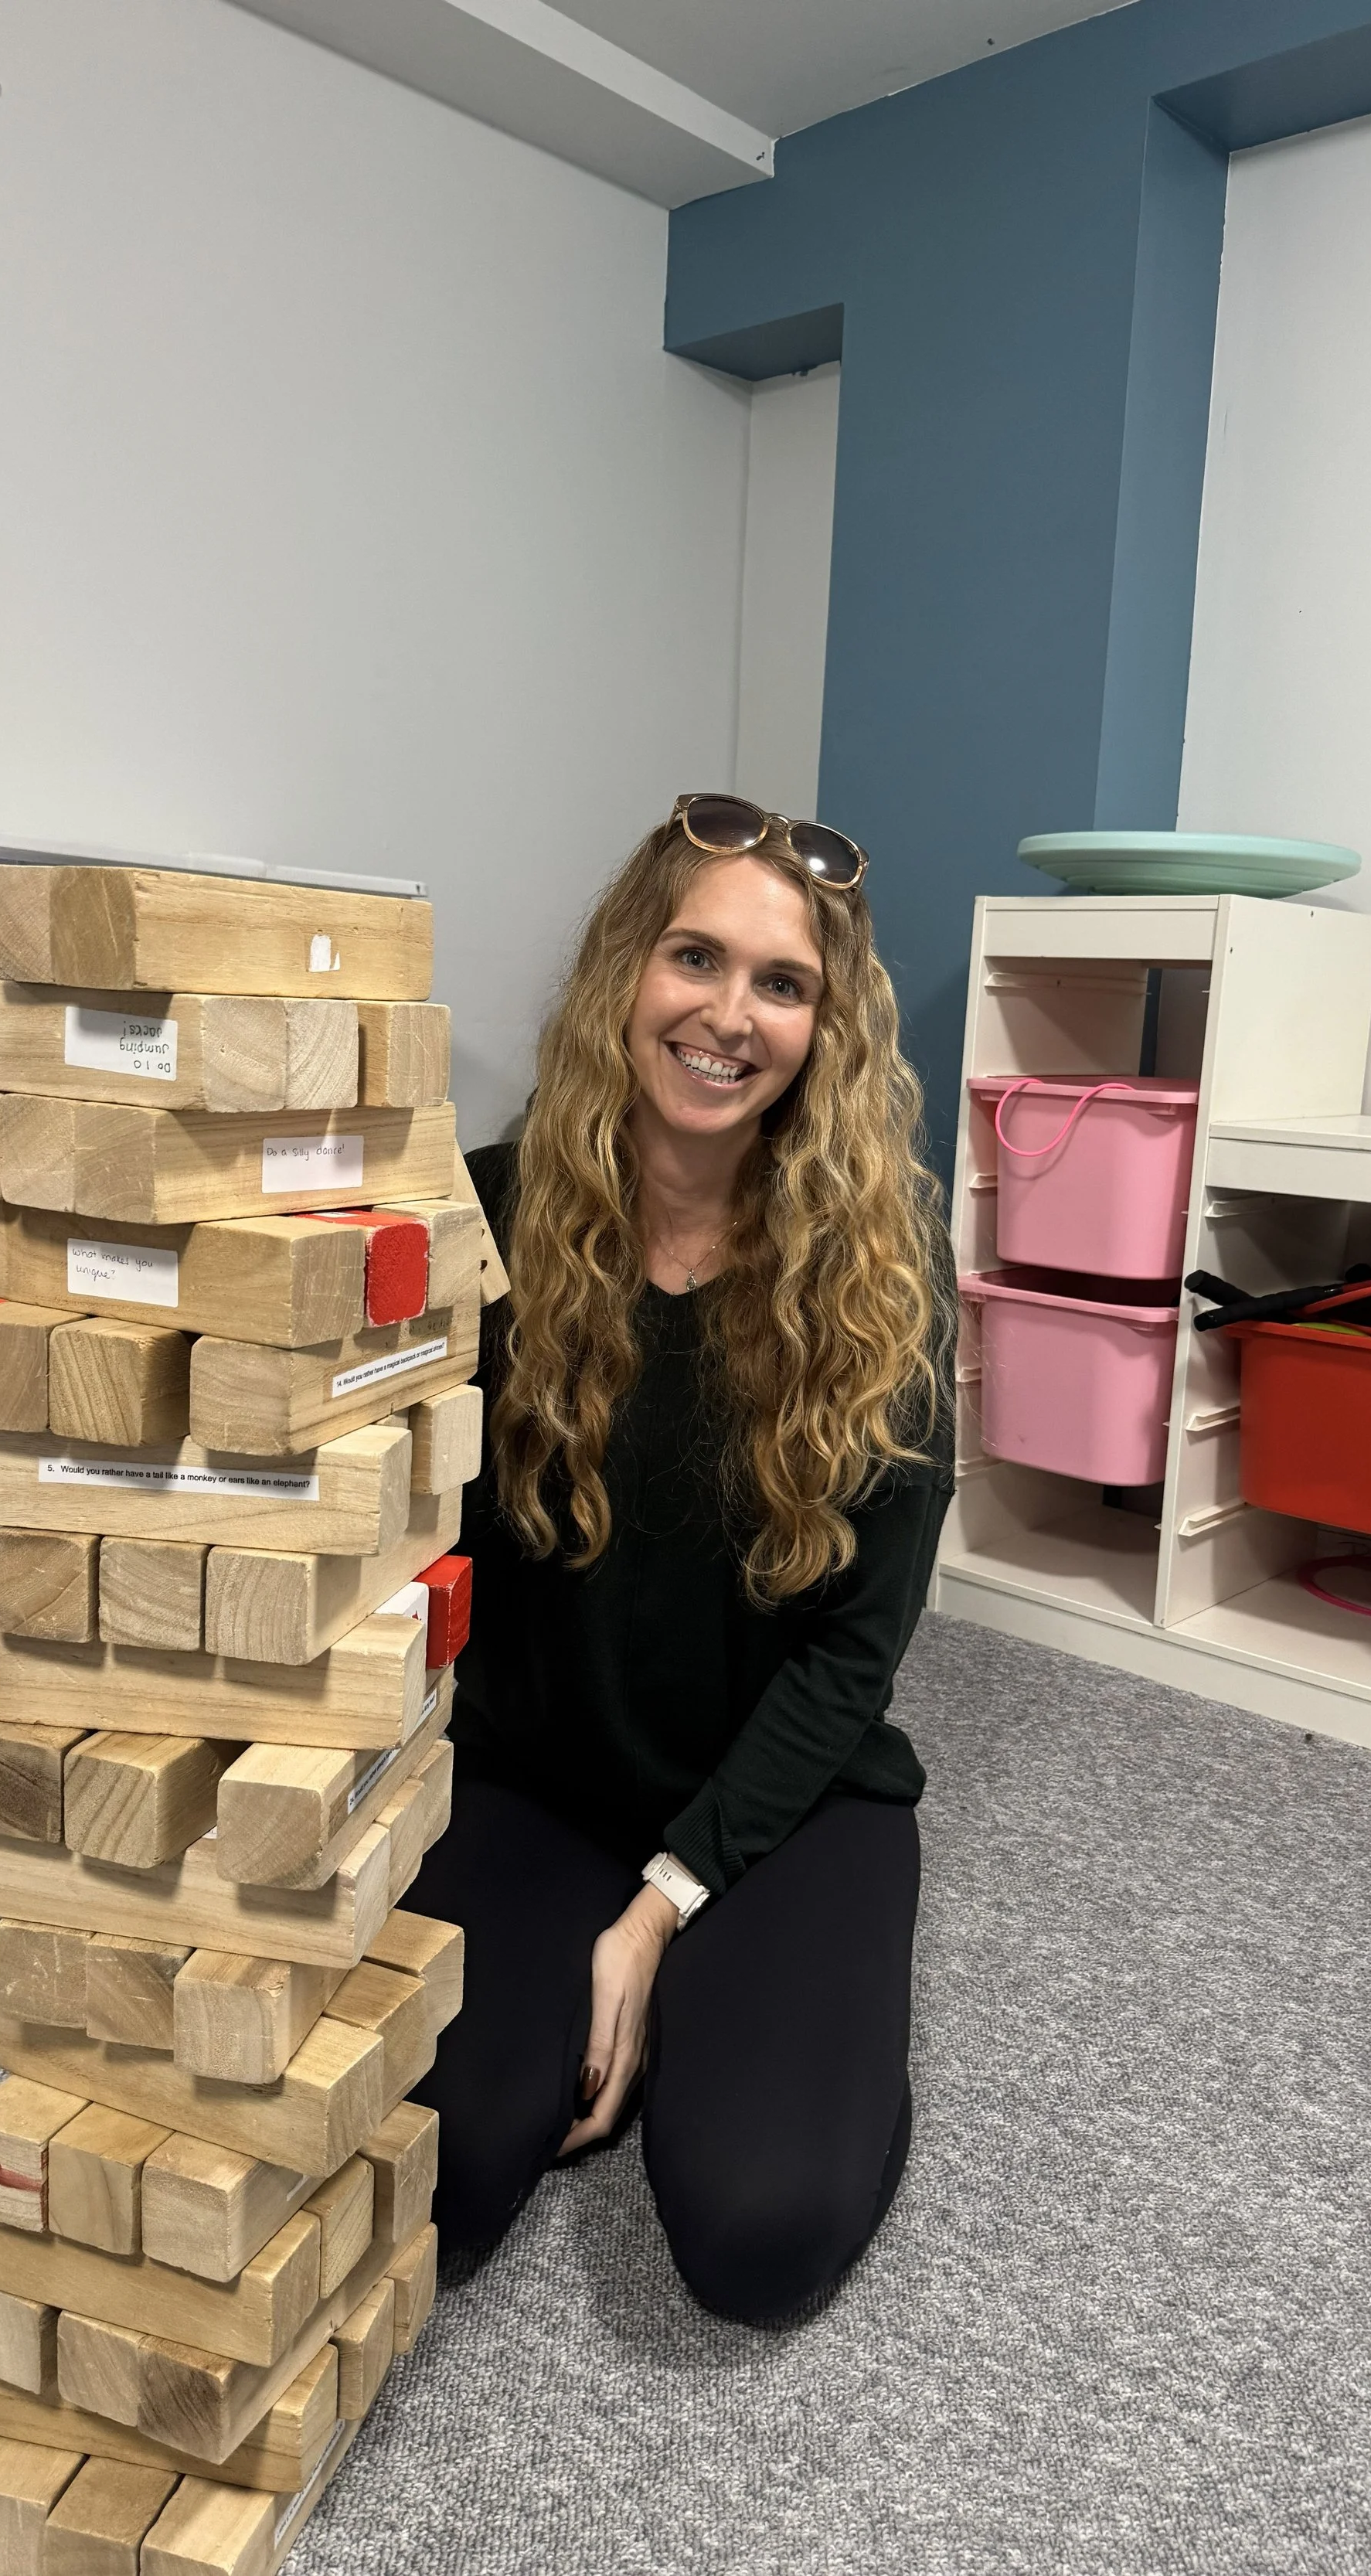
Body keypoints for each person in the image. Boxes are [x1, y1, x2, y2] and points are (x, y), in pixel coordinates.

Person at [405, 793, 955, 2326]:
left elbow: (854, 1654)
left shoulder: (887, 1284)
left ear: (824, 1029)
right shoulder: (484, 1210)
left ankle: (718, 2013)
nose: (727, 1014)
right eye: (692, 957)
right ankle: (631, 2008)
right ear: (622, 976)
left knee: (757, 2235)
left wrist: (657, 1911)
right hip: (538, 1771)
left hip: (784, 1800)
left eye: (781, 983)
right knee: (436, 2172)